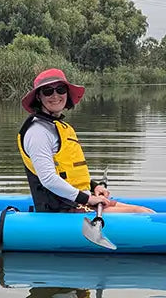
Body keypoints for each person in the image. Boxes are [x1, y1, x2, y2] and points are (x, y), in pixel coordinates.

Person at [18, 68, 155, 214]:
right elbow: (48, 179)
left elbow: (67, 172)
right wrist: (88, 199)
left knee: (146, 211)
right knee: (140, 213)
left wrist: (93, 187)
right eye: (47, 91)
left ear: (67, 93)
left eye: (60, 89)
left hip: (76, 201)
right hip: (61, 209)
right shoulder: (38, 132)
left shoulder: (57, 127)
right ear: (39, 97)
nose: (55, 95)